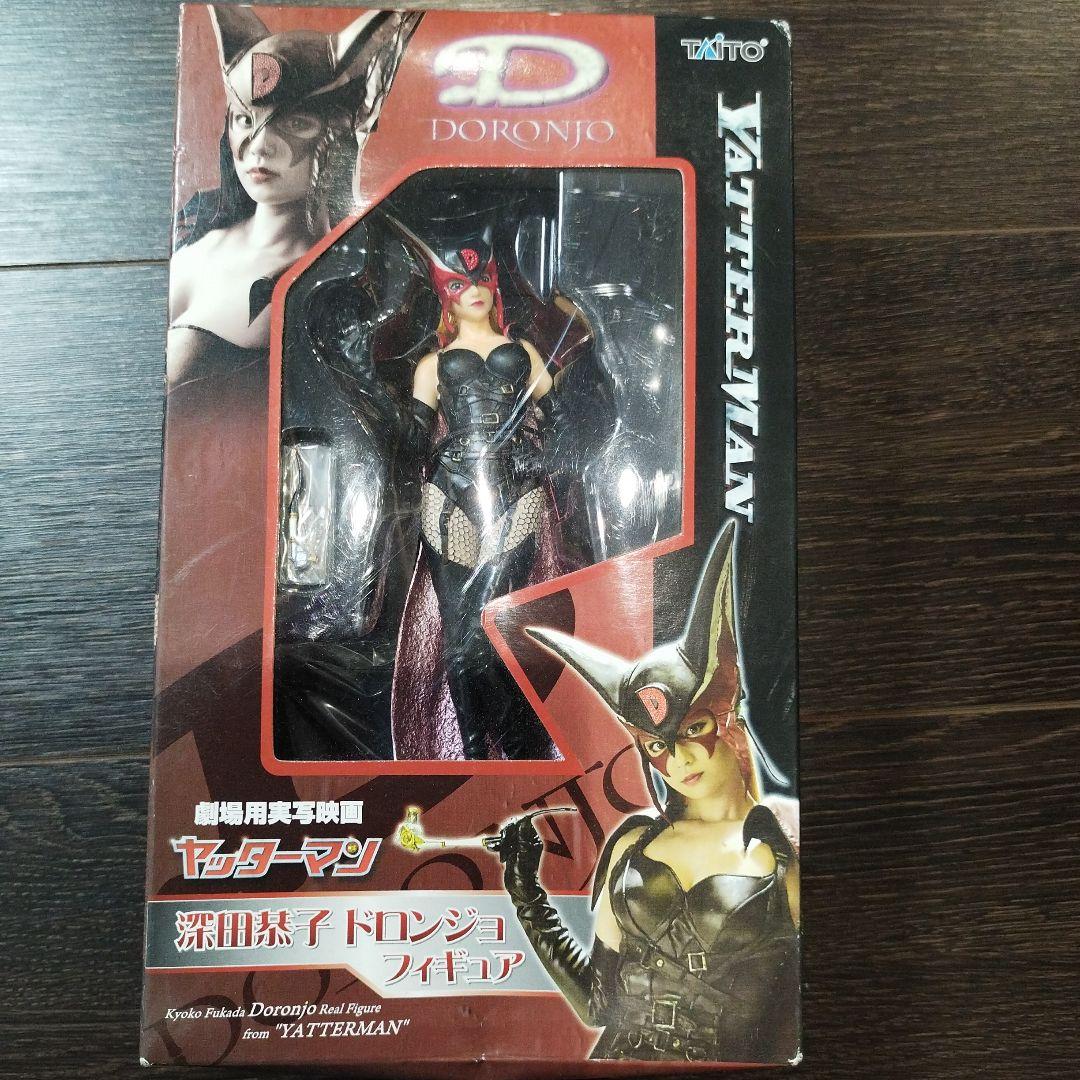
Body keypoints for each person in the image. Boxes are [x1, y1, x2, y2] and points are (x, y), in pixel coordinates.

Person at [493, 522, 801, 1062]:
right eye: (658, 745)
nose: (678, 759)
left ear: (727, 719)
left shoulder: (784, 842)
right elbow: (599, 1005)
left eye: (694, 729)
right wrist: (525, 891)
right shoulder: (633, 841)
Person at [389, 221, 572, 761]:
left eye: (479, 279)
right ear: (444, 296)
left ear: (493, 283)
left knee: (499, 624)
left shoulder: (526, 353)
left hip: (515, 495)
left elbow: (565, 417)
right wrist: (371, 389)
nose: (472, 289)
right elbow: (410, 440)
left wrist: (545, 455)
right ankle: (477, 749)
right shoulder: (433, 365)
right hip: (448, 498)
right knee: (461, 631)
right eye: (457, 283)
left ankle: (518, 743)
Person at [167, 5, 419, 382]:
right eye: (245, 120)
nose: (260, 146)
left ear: (337, 137)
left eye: (297, 123)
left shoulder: (339, 282)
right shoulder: (197, 230)